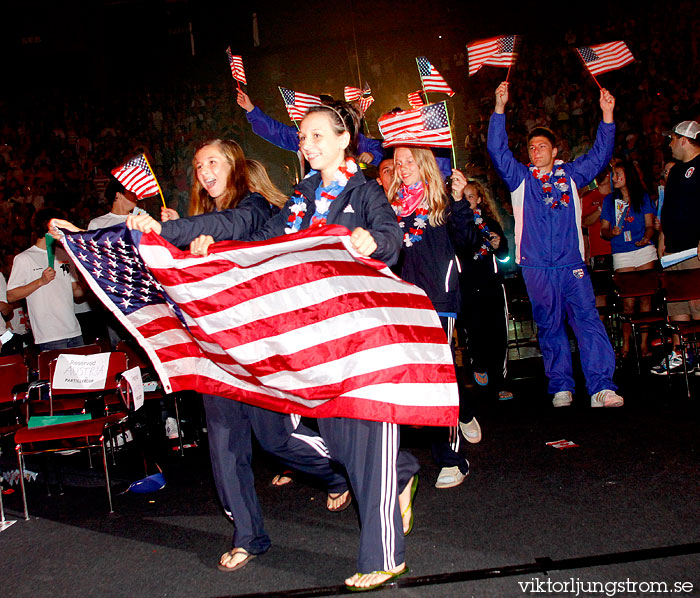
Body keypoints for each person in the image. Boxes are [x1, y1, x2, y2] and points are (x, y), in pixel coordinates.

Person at [125, 101, 419, 591]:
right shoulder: (300, 199)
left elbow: (392, 238)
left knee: (366, 444)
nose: (307, 144)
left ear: (344, 140)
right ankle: (402, 471)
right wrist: (177, 235)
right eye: (303, 137)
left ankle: (385, 556)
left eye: (318, 135)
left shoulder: (365, 192)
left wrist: (374, 242)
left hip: (365, 341)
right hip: (317, 347)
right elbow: (253, 235)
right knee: (345, 447)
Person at [51, 140, 353, 573]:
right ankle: (249, 535)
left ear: (234, 165)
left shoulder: (257, 208)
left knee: (276, 440)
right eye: (198, 165)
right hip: (212, 351)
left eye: (213, 162)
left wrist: (175, 230)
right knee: (225, 447)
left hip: (256, 348)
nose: (204, 170)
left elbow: (231, 223)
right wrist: (88, 242)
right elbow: (159, 264)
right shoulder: (194, 220)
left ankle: (337, 474)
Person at [487, 81, 623, 409]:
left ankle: (601, 387)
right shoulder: (520, 179)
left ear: (555, 151)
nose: (536, 151)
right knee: (549, 326)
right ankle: (561, 385)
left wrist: (607, 115)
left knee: (587, 321)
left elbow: (600, 155)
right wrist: (499, 108)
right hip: (535, 267)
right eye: (532, 147)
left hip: (571, 264)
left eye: (542, 146)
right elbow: (496, 149)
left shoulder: (573, 175)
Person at [388, 146, 479, 488]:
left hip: (439, 299)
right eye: (398, 162)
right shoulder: (393, 205)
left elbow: (467, 242)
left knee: (437, 377)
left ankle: (452, 459)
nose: (403, 167)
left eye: (410, 160)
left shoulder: (441, 200)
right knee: (423, 374)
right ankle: (464, 407)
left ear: (424, 163)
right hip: (405, 301)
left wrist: (458, 202)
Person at [455, 179, 513, 401]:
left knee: (498, 334)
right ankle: (479, 369)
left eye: (471, 196)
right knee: (474, 333)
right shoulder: (456, 225)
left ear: (479, 200)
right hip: (468, 288)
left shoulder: (490, 224)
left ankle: (501, 382)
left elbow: (506, 257)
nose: (468, 200)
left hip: (492, 287)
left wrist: (499, 247)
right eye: (464, 196)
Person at [651, 120, 700, 375]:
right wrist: (662, 240)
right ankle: (684, 354)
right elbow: (668, 210)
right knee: (678, 305)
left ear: (684, 139)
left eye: (672, 139)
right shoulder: (678, 172)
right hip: (674, 250)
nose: (669, 144)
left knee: (697, 302)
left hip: (695, 249)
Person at [600, 160, 657, 359]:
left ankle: (643, 344)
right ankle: (625, 345)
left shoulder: (642, 197)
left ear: (628, 175)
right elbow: (603, 230)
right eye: (613, 175)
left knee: (646, 297)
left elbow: (650, 225)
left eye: (618, 174)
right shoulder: (609, 201)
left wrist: (647, 237)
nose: (614, 178)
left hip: (644, 250)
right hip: (622, 251)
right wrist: (611, 232)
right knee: (627, 302)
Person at [237, 90, 384, 166]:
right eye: (304, 138)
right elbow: (277, 132)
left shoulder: (358, 142)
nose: (307, 145)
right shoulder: (308, 192)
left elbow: (381, 148)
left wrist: (372, 156)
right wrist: (251, 110)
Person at [8, 208, 84, 351]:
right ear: (50, 227)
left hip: (74, 331)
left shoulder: (65, 255)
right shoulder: (25, 258)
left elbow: (76, 292)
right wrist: (40, 281)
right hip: (49, 335)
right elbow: (11, 295)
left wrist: (89, 284)